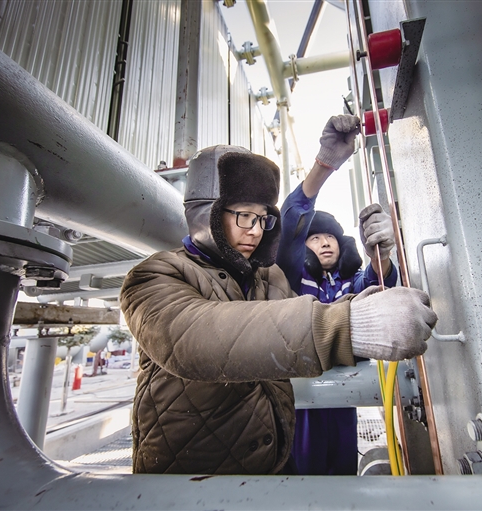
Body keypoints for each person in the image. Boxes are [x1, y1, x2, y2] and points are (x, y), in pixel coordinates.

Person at [119, 145, 437, 475]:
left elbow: (305, 316)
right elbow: (192, 340)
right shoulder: (153, 276)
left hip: (274, 466)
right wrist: (351, 326)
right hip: (189, 481)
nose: (255, 230)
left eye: (261, 218)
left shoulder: (270, 279)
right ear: (206, 212)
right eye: (243, 215)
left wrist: (377, 279)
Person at [276, 114, 399, 475]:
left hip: (347, 388)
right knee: (305, 469)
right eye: (314, 237)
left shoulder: (349, 279)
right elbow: (289, 223)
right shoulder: (294, 278)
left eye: (329, 236)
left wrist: (383, 256)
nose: (324, 241)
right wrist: (324, 165)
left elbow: (375, 289)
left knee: (343, 466)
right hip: (301, 390)